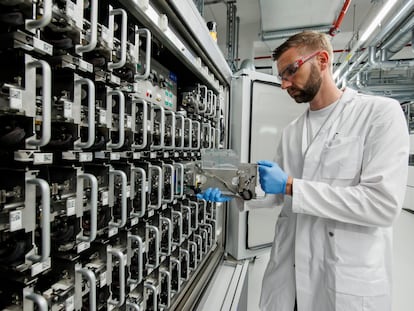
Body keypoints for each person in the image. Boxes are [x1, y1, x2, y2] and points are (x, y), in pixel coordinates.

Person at [197, 31, 409, 311]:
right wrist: (235, 190)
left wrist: (290, 186)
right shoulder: (293, 131)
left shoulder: (379, 114)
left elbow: (381, 205)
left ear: (322, 60)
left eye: (290, 71)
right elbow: (277, 195)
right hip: (290, 277)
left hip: (343, 280)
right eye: (282, 75)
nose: (284, 84)